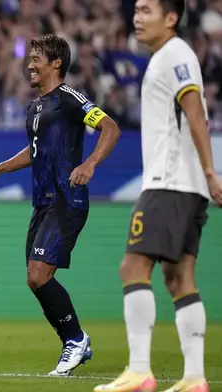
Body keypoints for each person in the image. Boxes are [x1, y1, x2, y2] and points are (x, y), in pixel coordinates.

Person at [0, 34, 121, 377]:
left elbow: (109, 128)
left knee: (39, 274)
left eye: (36, 58)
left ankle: (75, 340)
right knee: (35, 278)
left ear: (56, 63)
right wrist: (2, 166)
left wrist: (90, 164)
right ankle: (74, 340)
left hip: (66, 198)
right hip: (42, 202)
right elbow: (36, 151)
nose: (30, 65)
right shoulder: (36, 106)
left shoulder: (70, 98)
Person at [94, 1, 222, 391]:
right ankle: (195, 379)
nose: (137, 16)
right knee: (180, 279)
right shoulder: (166, 57)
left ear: (170, 18)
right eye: (135, 9)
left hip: (169, 182)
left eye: (147, 10)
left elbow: (195, 111)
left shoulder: (175, 55)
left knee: (132, 268)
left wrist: (210, 170)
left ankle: (138, 371)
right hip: (186, 187)